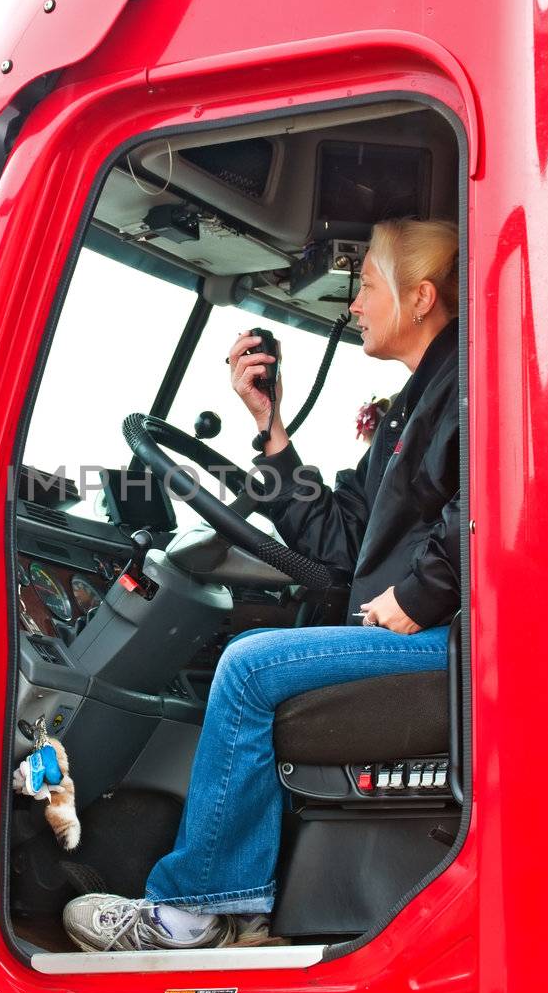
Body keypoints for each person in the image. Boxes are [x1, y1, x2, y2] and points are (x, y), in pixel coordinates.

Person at [63, 217, 461, 952]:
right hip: (424, 629)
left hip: (454, 644)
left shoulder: (469, 381)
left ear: (420, 297)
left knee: (249, 665)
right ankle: (238, 901)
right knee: (250, 654)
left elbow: (494, 498)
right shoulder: (415, 401)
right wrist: (269, 427)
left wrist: (419, 595)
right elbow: (340, 543)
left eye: (366, 287)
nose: (353, 306)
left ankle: (189, 914)